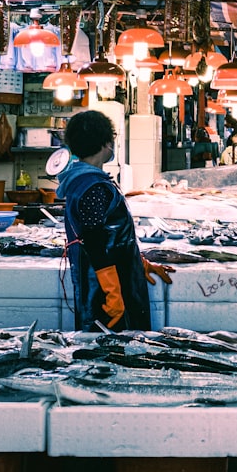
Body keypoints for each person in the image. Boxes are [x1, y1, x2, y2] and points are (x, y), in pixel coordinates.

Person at [57, 110, 174, 331]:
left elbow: (108, 234)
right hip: (105, 289)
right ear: (105, 143)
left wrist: (139, 263)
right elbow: (94, 240)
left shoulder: (83, 180)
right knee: (111, 355)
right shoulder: (92, 185)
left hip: (113, 279)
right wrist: (112, 292)